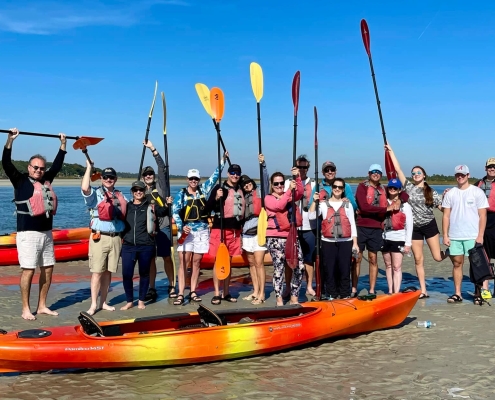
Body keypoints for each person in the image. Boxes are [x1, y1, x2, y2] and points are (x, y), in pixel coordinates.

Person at [2, 128, 66, 320]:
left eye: (41, 168)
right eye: (35, 167)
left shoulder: (47, 180)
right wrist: (10, 140)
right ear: (29, 167)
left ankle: (42, 306)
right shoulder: (20, 181)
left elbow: (57, 165)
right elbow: (6, 163)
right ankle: (25, 309)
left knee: (48, 268)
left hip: (46, 233)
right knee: (28, 271)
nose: (39, 170)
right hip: (27, 234)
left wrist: (63, 145)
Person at [385, 144, 446, 298]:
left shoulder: (431, 191)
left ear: (424, 175)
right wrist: (391, 151)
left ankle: (452, 253)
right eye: (414, 173)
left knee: (438, 258)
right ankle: (423, 290)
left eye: (419, 172)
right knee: (418, 260)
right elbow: (398, 170)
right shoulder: (409, 187)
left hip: (430, 225)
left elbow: (443, 209)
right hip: (415, 229)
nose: (416, 174)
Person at [171, 153, 227, 305]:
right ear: (187, 180)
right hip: (187, 232)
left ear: (199, 180)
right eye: (191, 179)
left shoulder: (204, 189)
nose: (193, 181)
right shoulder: (182, 194)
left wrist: (223, 161)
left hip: (202, 230)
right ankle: (181, 293)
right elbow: (175, 211)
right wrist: (182, 227)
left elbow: (214, 177)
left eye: (196, 179)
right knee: (184, 262)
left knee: (197, 262)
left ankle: (193, 291)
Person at [81, 163, 128, 315]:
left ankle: (104, 302)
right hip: (99, 238)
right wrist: (88, 167)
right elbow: (84, 188)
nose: (109, 179)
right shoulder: (95, 194)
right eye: (106, 177)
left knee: (108, 272)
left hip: (115, 238)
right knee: (97, 272)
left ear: (116, 179)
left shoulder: (120, 195)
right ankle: (93, 305)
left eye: (111, 177)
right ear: (101, 179)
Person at [442, 165, 488, 304]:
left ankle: (477, 293)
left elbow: (483, 215)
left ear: (468, 175)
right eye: (457, 175)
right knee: (457, 264)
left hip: (472, 235)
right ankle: (457, 293)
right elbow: (446, 216)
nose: (460, 177)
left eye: (462, 174)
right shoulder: (451, 193)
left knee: (476, 265)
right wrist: (445, 234)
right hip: (455, 235)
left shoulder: (477, 192)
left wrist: (480, 235)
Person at [120, 180, 169, 310]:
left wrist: (168, 204)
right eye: (135, 190)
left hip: (146, 245)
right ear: (132, 192)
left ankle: (141, 300)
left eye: (140, 190)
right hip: (128, 245)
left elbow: (163, 211)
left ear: (144, 191)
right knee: (126, 274)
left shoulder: (151, 206)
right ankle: (129, 301)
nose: (138, 192)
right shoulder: (127, 206)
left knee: (144, 273)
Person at [308, 178, 358, 299]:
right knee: (329, 270)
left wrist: (355, 243)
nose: (337, 189)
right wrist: (315, 201)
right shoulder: (323, 204)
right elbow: (311, 215)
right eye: (335, 186)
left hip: (345, 242)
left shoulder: (348, 205)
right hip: (327, 242)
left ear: (343, 189)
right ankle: (331, 295)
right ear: (332, 188)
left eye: (340, 187)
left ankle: (345, 294)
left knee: (344, 270)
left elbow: (352, 224)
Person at [354, 164, 399, 297]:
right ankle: (354, 288)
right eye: (373, 172)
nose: (376, 174)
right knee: (357, 259)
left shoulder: (383, 189)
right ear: (369, 173)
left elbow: (403, 194)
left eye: (378, 172)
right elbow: (364, 207)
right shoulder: (362, 187)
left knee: (373, 259)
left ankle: (372, 289)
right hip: (361, 226)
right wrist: (385, 209)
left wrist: (400, 200)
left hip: (376, 228)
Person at [207, 163, 246, 305]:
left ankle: (226, 292)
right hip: (220, 229)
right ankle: (217, 293)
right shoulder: (219, 188)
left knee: (228, 262)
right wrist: (217, 198)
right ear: (228, 174)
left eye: (237, 173)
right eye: (232, 173)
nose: (235, 175)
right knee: (219, 262)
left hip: (234, 230)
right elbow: (208, 207)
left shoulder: (241, 189)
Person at [264, 168, 305, 306]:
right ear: (272, 185)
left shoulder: (290, 195)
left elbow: (299, 193)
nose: (279, 186)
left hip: (291, 236)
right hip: (275, 237)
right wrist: (289, 191)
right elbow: (279, 206)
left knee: (299, 267)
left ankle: (294, 296)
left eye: (282, 183)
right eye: (276, 184)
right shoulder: (268, 198)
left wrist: (297, 177)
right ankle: (279, 299)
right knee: (279, 268)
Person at [141, 140, 175, 302]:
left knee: (166, 257)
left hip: (164, 226)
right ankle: (152, 287)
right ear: (142, 177)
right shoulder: (139, 191)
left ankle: (172, 285)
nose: (149, 176)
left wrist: (152, 149)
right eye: (146, 174)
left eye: (150, 174)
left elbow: (162, 168)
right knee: (150, 259)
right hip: (148, 229)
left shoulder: (161, 186)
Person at [284, 155, 317, 297]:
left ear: (308, 168)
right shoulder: (287, 183)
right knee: (290, 259)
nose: (302, 170)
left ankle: (309, 285)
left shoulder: (314, 183)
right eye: (300, 167)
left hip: (309, 226)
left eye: (305, 167)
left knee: (309, 259)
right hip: (293, 226)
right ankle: (287, 287)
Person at [240, 154, 269, 305]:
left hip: (259, 234)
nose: (247, 185)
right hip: (246, 235)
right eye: (244, 184)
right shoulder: (242, 198)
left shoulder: (261, 193)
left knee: (259, 263)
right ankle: (255, 291)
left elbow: (265, 180)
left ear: (252, 183)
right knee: (251, 264)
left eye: (248, 183)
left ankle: (262, 294)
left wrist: (263, 165)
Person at [381, 178, 413, 294]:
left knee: (396, 267)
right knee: (388, 265)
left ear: (399, 190)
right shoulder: (383, 203)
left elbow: (409, 225)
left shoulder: (405, 206)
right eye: (391, 188)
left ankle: (396, 291)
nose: (392, 190)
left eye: (395, 188)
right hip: (385, 238)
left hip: (399, 238)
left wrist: (408, 244)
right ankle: (390, 290)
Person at [474, 157, 495, 298]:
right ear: (485, 168)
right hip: (481, 221)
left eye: (494, 167)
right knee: (483, 256)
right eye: (490, 167)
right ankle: (482, 289)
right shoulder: (477, 184)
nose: (492, 169)